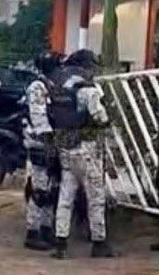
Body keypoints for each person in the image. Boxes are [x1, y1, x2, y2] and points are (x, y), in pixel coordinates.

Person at [52, 49, 114, 260]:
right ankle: (99, 242)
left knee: (65, 197)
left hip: (65, 147)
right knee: (95, 197)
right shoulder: (89, 90)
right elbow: (100, 117)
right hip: (87, 148)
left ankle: (60, 242)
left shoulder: (61, 87)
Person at [23, 52, 62, 251]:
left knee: (52, 189)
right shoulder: (37, 87)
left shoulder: (52, 86)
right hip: (40, 142)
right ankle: (33, 231)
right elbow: (38, 116)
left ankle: (46, 228)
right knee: (39, 190)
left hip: (53, 141)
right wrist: (48, 139)